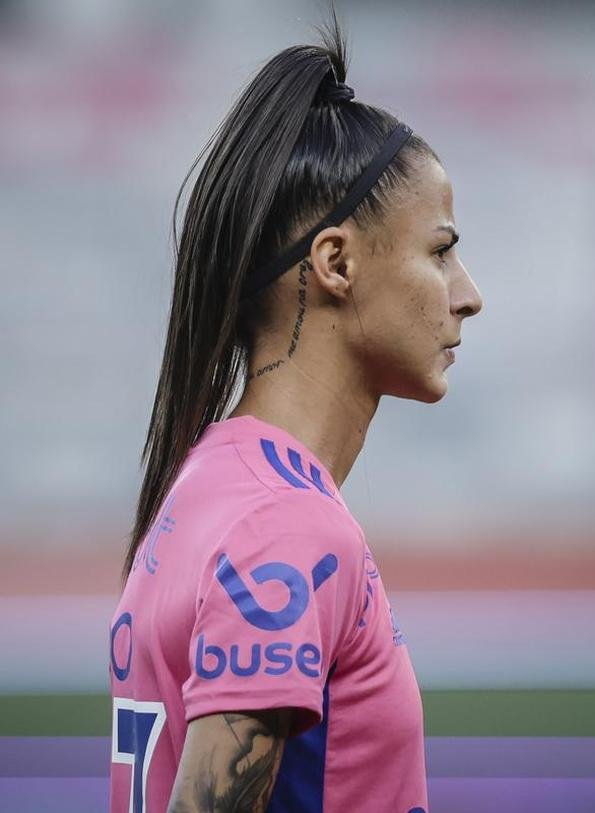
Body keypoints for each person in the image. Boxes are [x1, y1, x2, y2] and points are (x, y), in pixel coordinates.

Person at [108, 7, 483, 812]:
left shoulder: (207, 485)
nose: (469, 295)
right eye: (442, 251)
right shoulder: (284, 528)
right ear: (337, 261)